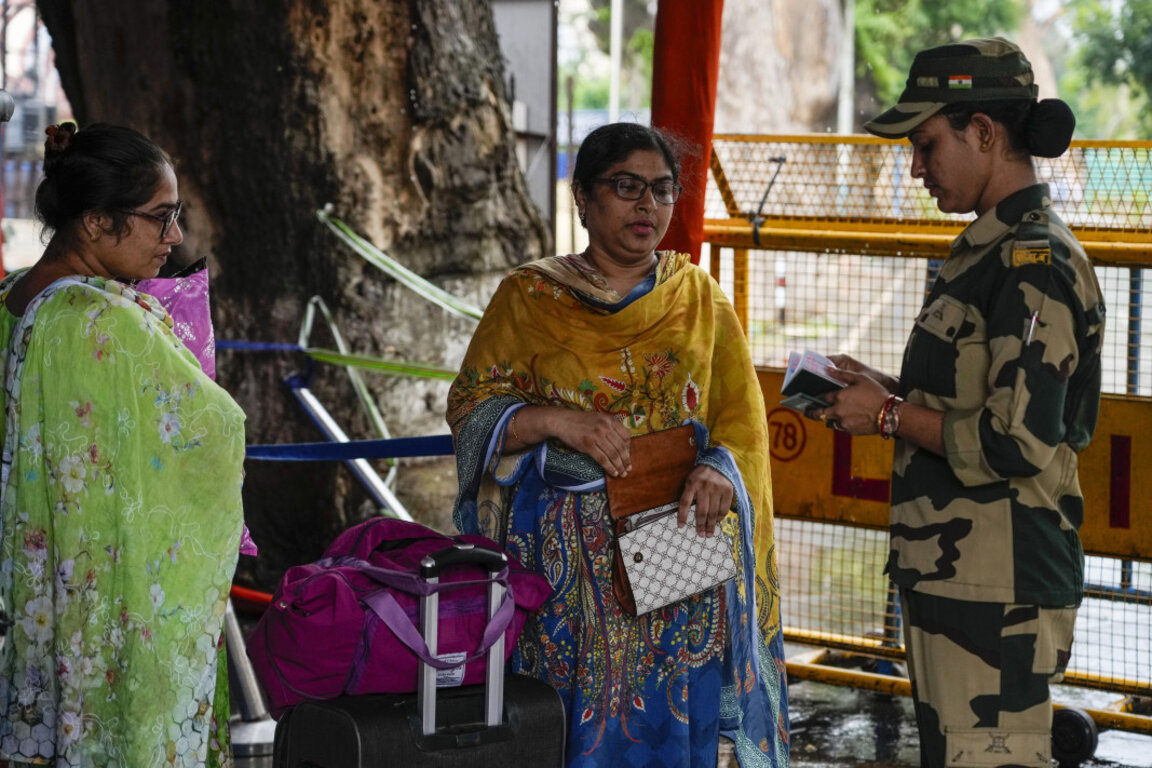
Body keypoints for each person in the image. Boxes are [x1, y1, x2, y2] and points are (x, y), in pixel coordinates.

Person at [447, 122, 788, 768]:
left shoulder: (698, 301)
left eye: (662, 191)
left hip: (676, 554)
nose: (648, 206)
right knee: (571, 728)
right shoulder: (529, 298)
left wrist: (719, 470)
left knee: (671, 721)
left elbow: (743, 423)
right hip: (566, 578)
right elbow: (470, 411)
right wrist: (555, 420)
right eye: (626, 187)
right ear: (583, 197)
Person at [816, 38, 1104, 768]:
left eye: (926, 144)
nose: (916, 167)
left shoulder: (1035, 264)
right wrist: (884, 388)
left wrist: (885, 418)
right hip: (958, 577)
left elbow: (1016, 440)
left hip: (999, 589)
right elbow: (972, 394)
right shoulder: (984, 254)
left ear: (984, 132)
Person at [0, 122, 247, 767]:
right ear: (93, 222)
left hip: (48, 598)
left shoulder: (20, 299)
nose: (174, 238)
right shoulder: (101, 321)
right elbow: (216, 430)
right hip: (120, 607)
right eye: (159, 219)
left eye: (177, 216)